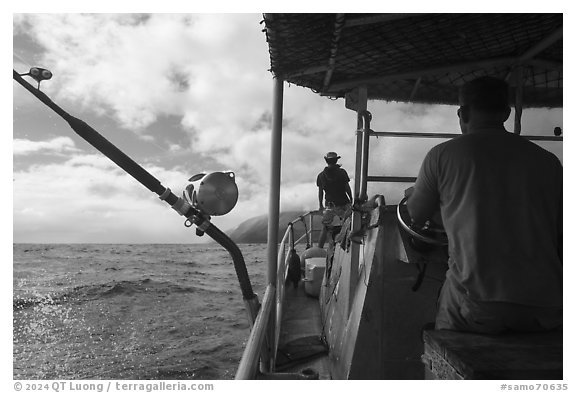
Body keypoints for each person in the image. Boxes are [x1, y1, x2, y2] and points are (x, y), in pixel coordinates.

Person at [407, 76, 562, 334]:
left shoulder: (442, 156)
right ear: (506, 112)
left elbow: (416, 213)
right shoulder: (549, 162)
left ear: (463, 113)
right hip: (548, 305)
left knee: (446, 317)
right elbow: (558, 231)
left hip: (481, 305)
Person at [316, 152, 353, 248]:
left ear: (326, 161)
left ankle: (319, 248)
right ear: (336, 160)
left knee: (325, 227)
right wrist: (351, 199)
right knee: (348, 224)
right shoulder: (342, 173)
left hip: (329, 205)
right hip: (344, 203)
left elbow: (321, 192)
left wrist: (320, 205)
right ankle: (347, 247)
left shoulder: (321, 176)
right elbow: (347, 188)